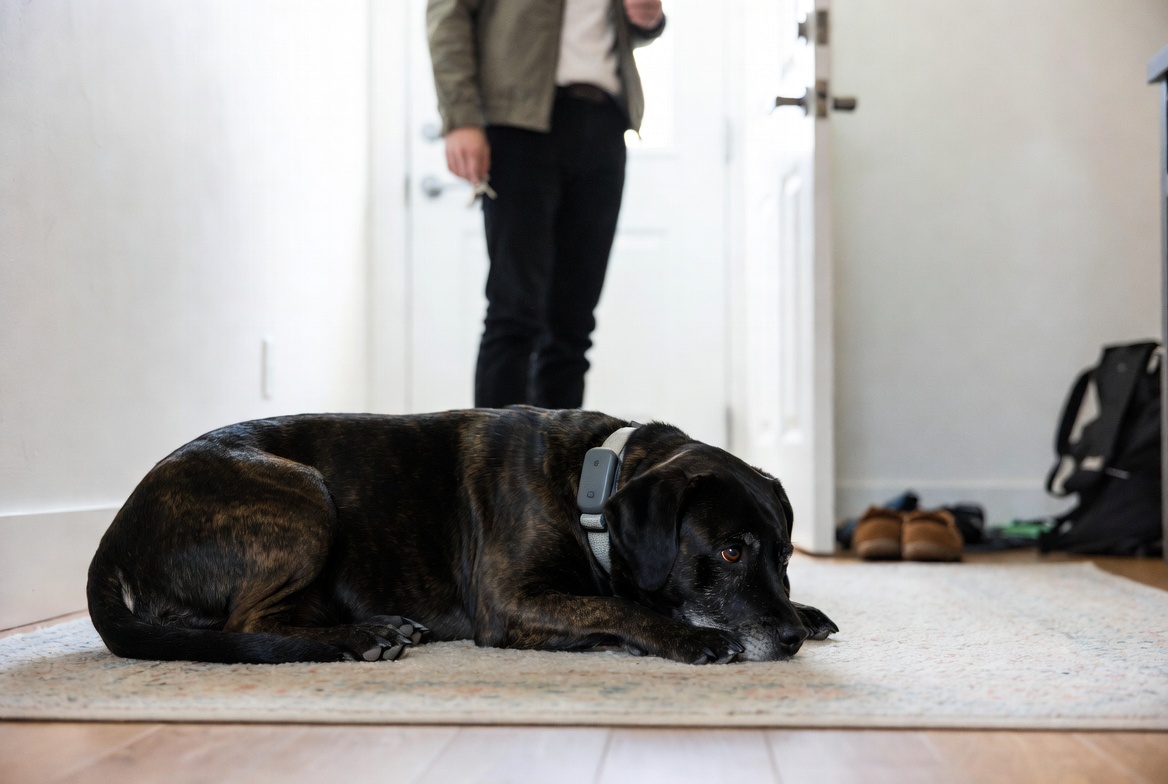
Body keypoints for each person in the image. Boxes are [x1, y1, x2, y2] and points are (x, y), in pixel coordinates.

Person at [427, 0, 666, 409]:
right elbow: (448, 13)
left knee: (573, 326)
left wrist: (647, 19)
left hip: (606, 123)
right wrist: (461, 116)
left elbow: (628, 25)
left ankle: (558, 471)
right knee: (514, 313)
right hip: (519, 124)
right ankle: (493, 471)